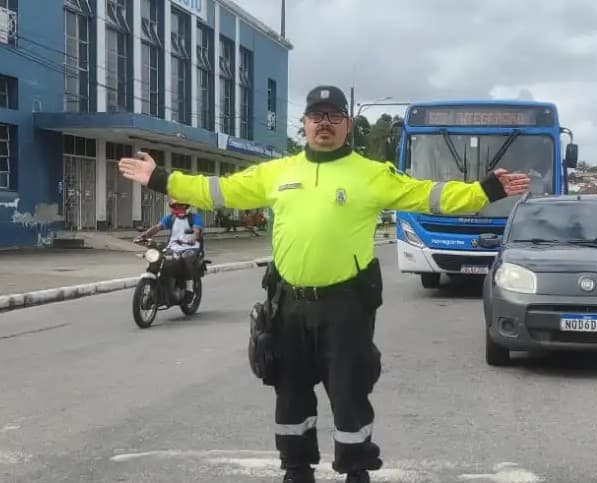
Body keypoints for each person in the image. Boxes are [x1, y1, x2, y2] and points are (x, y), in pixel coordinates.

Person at [118, 85, 530, 483]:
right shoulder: (277, 172)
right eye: (317, 116)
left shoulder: (371, 174)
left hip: (346, 306)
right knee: (290, 393)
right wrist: (162, 179)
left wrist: (484, 190)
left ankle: (356, 470)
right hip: (288, 304)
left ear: (347, 125)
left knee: (349, 391)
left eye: (334, 116)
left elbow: (428, 195)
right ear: (305, 123)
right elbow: (219, 191)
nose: (325, 123)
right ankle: (296, 470)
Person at [134, 199, 203, 301]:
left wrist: (193, 237)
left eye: (181, 206)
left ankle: (189, 288)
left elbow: (196, 231)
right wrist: (143, 236)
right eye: (176, 206)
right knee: (159, 257)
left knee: (186, 258)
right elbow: (157, 227)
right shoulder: (171, 218)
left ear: (187, 206)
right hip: (173, 247)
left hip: (190, 247)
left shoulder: (195, 218)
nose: (179, 208)